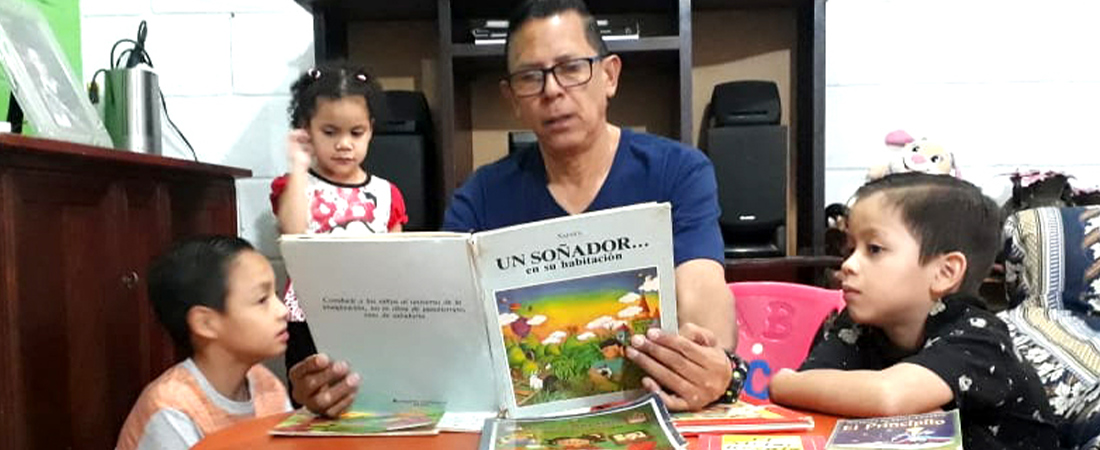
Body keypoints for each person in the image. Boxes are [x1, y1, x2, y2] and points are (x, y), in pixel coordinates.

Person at [288, 0, 740, 415]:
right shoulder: (480, 196)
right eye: (530, 77)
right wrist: (349, 384)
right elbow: (440, 338)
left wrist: (712, 367)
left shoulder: (678, 172)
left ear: (609, 76)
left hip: (648, 411)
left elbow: (702, 298)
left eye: (571, 68)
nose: (552, 90)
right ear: (513, 100)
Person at [768, 173, 1059, 450]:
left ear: (945, 273)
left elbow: (889, 396)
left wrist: (783, 381)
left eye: (874, 249)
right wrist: (795, 386)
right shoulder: (855, 324)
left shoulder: (979, 337)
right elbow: (808, 386)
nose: (848, 265)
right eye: (850, 249)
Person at [269, 62, 409, 383]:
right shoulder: (294, 186)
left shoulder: (387, 193)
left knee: (369, 392)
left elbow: (397, 260)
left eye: (356, 133)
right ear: (306, 129)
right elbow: (291, 233)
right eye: (330, 132)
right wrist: (299, 165)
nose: (344, 144)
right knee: (314, 396)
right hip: (307, 318)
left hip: (371, 315)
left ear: (370, 129)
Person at [115, 236, 292, 450]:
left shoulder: (266, 385)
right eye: (262, 299)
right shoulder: (171, 410)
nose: (284, 311)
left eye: (276, 295)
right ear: (206, 323)